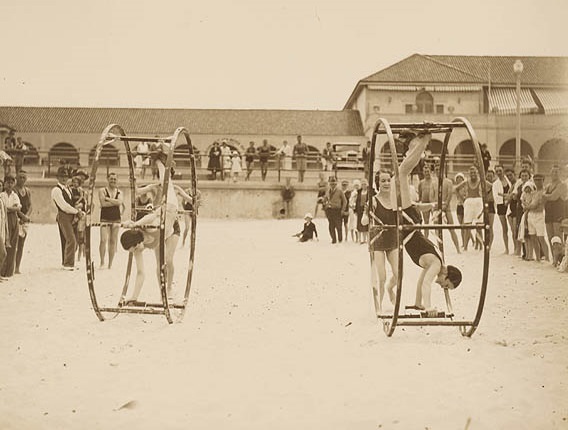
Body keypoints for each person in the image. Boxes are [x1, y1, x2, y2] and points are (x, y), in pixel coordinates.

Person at [389, 129, 462, 315]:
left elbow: (422, 281)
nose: (442, 286)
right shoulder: (437, 265)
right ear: (447, 276)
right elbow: (428, 284)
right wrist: (429, 308)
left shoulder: (435, 264)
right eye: (446, 285)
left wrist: (418, 303)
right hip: (409, 221)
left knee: (396, 178)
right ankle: (423, 141)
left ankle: (414, 144)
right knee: (402, 174)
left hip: (408, 224)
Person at [120, 153, 186, 303]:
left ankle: (158, 161)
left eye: (134, 248)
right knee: (159, 265)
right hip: (161, 218)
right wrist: (133, 298)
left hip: (169, 209)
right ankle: (163, 292)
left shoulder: (148, 228)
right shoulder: (137, 248)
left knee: (166, 182)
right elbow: (141, 273)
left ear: (136, 242)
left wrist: (135, 223)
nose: (136, 251)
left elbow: (150, 218)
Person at [366, 170, 398, 313]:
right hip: (378, 239)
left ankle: (390, 289)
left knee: (399, 273)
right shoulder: (373, 200)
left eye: (388, 180)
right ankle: (378, 306)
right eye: (382, 181)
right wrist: (367, 214)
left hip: (392, 237)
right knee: (382, 275)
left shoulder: (396, 200)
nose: (386, 183)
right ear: (377, 183)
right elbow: (364, 220)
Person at [51, 167, 83, 270]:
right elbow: (63, 206)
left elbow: (72, 203)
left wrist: (79, 210)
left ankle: (68, 261)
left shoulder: (68, 189)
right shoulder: (56, 190)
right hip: (64, 215)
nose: (64, 178)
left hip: (72, 215)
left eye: (65, 176)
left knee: (74, 240)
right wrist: (76, 211)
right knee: (71, 239)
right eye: (61, 176)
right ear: (57, 177)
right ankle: (68, 264)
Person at [432, 162, 461, 254]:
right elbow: (431, 196)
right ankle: (440, 249)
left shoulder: (448, 182)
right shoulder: (434, 182)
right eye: (436, 170)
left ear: (444, 170)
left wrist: (445, 205)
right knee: (437, 230)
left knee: (451, 228)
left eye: (439, 169)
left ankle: (458, 249)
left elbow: (449, 195)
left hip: (446, 208)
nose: (438, 171)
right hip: (437, 208)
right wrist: (435, 206)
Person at [98, 172, 123, 269]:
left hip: (116, 218)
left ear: (117, 180)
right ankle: (102, 262)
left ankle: (110, 264)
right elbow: (103, 204)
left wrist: (108, 199)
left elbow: (120, 202)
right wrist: (115, 202)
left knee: (113, 241)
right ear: (107, 179)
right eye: (111, 179)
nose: (113, 181)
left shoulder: (120, 192)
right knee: (103, 240)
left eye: (115, 179)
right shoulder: (102, 190)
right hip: (104, 217)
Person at [0, 175, 21, 278]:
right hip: (4, 219)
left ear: (14, 184)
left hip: (13, 219)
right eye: (7, 182)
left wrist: (10, 208)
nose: (9, 185)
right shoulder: (2, 195)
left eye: (11, 183)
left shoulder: (14, 195)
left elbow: (18, 208)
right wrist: (11, 208)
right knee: (4, 243)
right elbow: (5, 209)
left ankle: (9, 272)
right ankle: (2, 271)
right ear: (4, 184)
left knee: (13, 244)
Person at [543, 165, 567, 250]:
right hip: (548, 213)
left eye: (556, 172)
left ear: (560, 173)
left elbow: (554, 197)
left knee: (558, 238)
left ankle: (560, 259)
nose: (554, 174)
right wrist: (545, 196)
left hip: (558, 213)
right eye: (552, 172)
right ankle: (554, 259)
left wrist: (544, 196)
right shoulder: (548, 186)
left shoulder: (562, 185)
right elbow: (543, 199)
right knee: (550, 238)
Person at [14, 170, 32, 274]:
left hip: (25, 220)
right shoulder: (15, 190)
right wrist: (21, 217)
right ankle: (10, 266)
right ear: (16, 178)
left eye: (24, 177)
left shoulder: (27, 190)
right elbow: (16, 206)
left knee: (21, 244)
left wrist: (26, 217)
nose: (22, 179)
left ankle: (17, 267)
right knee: (13, 244)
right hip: (16, 218)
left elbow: (31, 206)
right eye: (20, 177)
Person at [492, 165, 512, 254]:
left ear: (503, 170)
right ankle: (507, 248)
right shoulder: (495, 184)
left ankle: (515, 248)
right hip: (501, 206)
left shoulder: (509, 180)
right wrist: (506, 197)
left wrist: (505, 197)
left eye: (500, 170)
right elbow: (496, 196)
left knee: (513, 227)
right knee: (505, 228)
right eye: (497, 171)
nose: (499, 173)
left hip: (510, 204)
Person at [323, 176, 347, 244]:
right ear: (329, 183)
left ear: (336, 183)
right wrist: (325, 205)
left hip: (337, 210)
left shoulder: (340, 191)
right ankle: (333, 240)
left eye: (334, 183)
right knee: (331, 226)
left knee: (338, 226)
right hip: (330, 211)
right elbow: (325, 200)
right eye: (331, 183)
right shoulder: (327, 191)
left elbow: (345, 201)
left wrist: (342, 210)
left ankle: (340, 240)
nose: (332, 185)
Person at [70, 174, 87, 263]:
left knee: (81, 235)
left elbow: (83, 199)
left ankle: (81, 255)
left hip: (80, 208)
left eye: (77, 182)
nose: (75, 184)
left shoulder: (81, 190)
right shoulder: (71, 190)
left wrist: (78, 202)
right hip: (73, 209)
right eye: (74, 182)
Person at [417, 163, 436, 238]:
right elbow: (420, 194)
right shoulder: (421, 183)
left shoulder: (434, 181)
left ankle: (438, 238)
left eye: (428, 171)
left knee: (435, 221)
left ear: (431, 172)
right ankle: (426, 238)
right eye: (425, 172)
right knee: (426, 222)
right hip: (424, 204)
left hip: (432, 203)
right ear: (423, 172)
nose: (427, 173)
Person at [355, 178, 370, 244]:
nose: (364, 186)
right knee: (359, 224)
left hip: (366, 209)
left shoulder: (369, 192)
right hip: (359, 209)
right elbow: (357, 201)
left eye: (365, 184)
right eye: (362, 184)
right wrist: (355, 209)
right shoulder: (359, 192)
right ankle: (360, 239)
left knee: (366, 224)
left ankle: (366, 239)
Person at [0, 180, 8, 281]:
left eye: (0, 186)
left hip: (1, 229)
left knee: (2, 253)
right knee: (3, 253)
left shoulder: (1, 199)